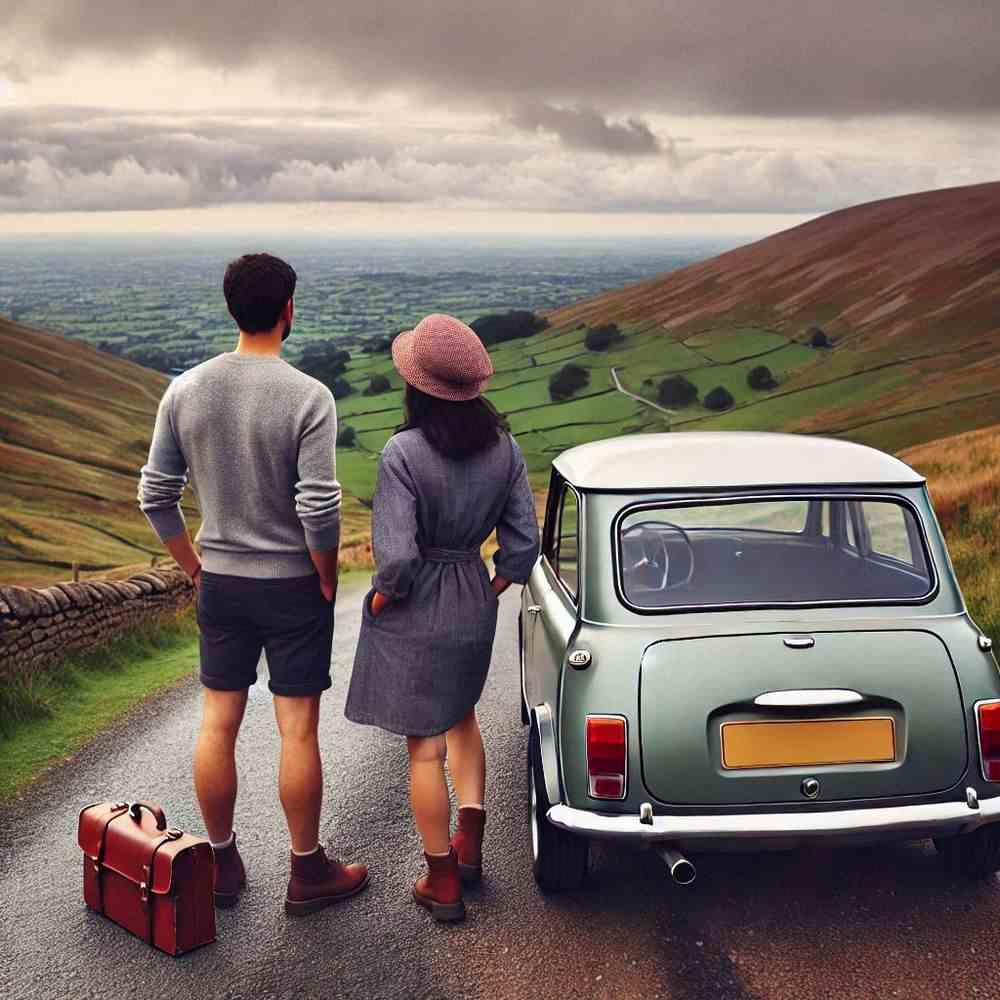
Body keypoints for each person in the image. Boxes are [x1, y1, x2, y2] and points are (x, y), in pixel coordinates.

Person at [138, 253, 369, 916]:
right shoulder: (309, 396)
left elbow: (156, 496)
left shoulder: (185, 390)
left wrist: (193, 566)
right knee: (297, 731)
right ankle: (306, 872)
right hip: (294, 585)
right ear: (288, 310)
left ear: (231, 308)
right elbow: (319, 506)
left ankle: (222, 862)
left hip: (224, 586)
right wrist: (326, 575)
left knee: (218, 722)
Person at [345, 313, 539, 922]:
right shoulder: (503, 448)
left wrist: (381, 596)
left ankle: (441, 880)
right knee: (462, 716)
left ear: (416, 386)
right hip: (473, 598)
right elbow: (524, 545)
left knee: (423, 748)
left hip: (418, 600)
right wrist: (492, 584)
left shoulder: (402, 452)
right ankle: (471, 844)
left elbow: (397, 557)